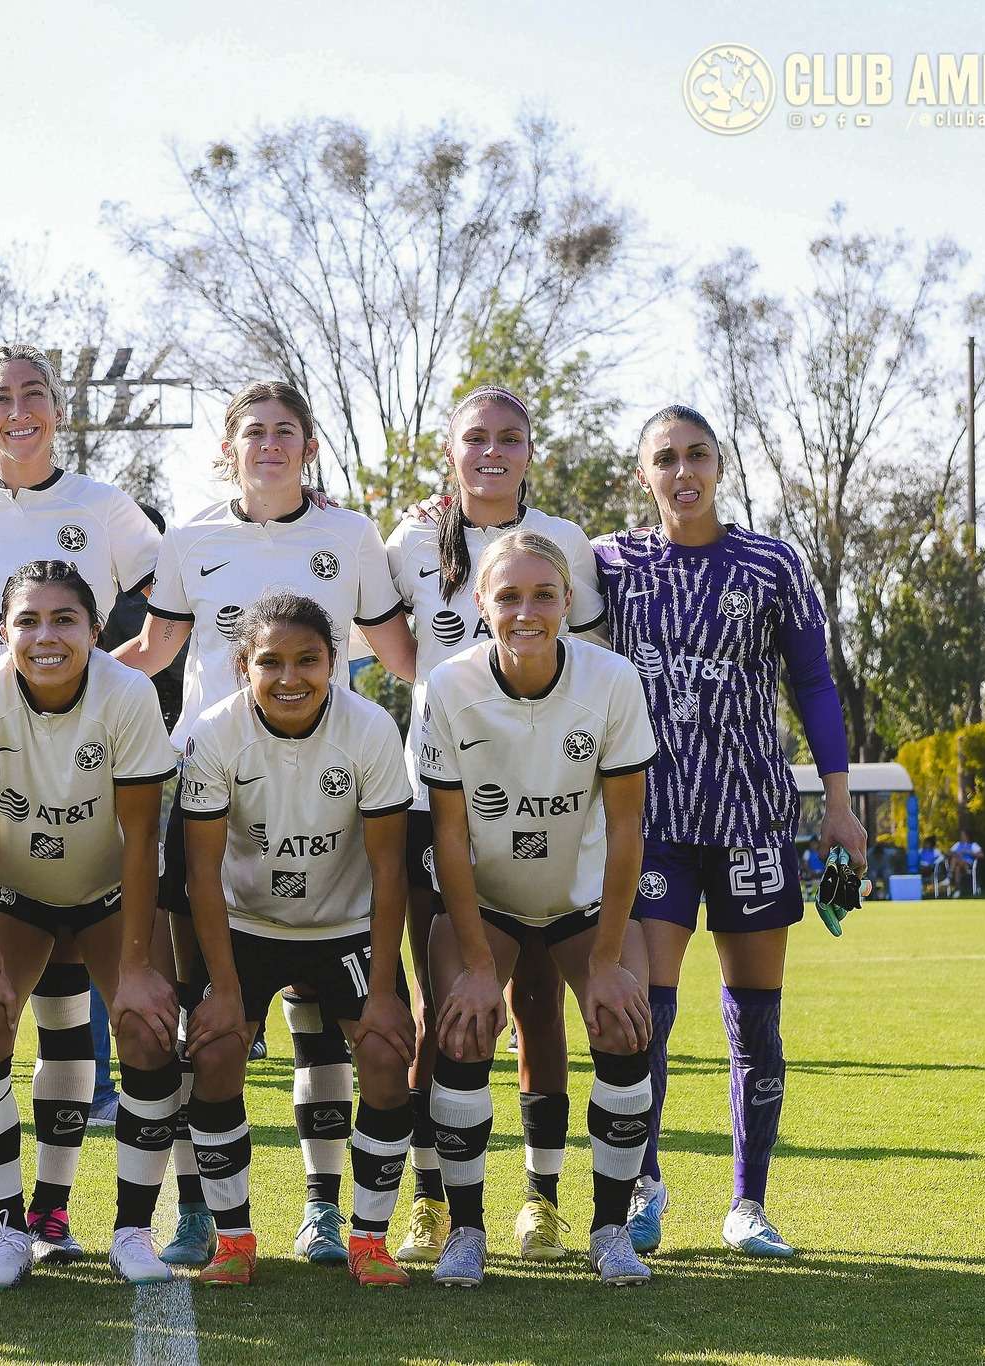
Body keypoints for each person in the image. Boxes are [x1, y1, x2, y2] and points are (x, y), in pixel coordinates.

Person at [115, 380, 413, 1268]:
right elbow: (156, 651)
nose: (271, 445)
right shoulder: (190, 540)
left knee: (331, 1031)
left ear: (310, 446)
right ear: (226, 446)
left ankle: (329, 1213)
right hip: (217, 792)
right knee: (207, 1022)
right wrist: (54, 674)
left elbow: (407, 655)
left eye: (288, 432)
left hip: (327, 797)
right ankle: (201, 1212)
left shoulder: (350, 535)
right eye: (255, 433)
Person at [0, 345, 160, 1267]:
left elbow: (182, 598)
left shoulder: (105, 504)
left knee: (73, 1022)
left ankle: (52, 1212)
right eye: (1, 398)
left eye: (35, 396)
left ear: (58, 409)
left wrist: (109, 682)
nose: (19, 411)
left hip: (85, 786)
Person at [594, 404, 866, 1259]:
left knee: (758, 1023)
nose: (684, 472)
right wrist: (442, 516)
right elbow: (512, 555)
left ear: (721, 464)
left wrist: (838, 800)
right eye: (666, 458)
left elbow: (816, 683)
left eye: (698, 455)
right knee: (650, 1015)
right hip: (655, 822)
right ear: (644, 475)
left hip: (751, 818)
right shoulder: (610, 563)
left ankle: (748, 1204)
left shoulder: (772, 563)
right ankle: (645, 1185)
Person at [385, 386, 607, 1265]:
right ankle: (432, 1202)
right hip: (430, 805)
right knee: (444, 1006)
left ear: (529, 451)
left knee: (539, 1006)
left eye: (508, 438)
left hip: (540, 803)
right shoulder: (409, 539)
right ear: (450, 450)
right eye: (474, 437)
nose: (491, 452)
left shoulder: (564, 543)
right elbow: (402, 656)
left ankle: (541, 1201)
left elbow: (587, 661)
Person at [417, 530, 659, 1288]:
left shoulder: (612, 681)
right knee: (459, 1026)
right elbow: (449, 835)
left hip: (581, 900)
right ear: (482, 606)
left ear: (568, 604)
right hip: (486, 900)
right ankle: (465, 1230)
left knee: (625, 1024)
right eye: (510, 596)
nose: (528, 611)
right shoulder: (448, 687)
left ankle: (609, 1229)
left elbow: (626, 828)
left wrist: (613, 960)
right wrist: (479, 965)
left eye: (544, 595)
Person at [0, 560, 183, 1289]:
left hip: (108, 891)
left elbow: (143, 836)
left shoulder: (129, 692)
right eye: (28, 621)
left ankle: (133, 1231)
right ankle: (11, 1228)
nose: (46, 636)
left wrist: (138, 967)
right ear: (3, 632)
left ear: (94, 629)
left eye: (64, 619)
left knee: (146, 1027)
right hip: (17, 893)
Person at [175, 593, 417, 1287]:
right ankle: (234, 1240)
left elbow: (388, 867)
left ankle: (368, 1240)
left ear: (333, 663)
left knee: (383, 1049)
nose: (291, 678)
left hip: (344, 923)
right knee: (216, 1049)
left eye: (308, 660)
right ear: (241, 666)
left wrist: (384, 992)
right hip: (247, 923)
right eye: (271, 663)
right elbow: (200, 872)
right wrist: (222, 990)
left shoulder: (368, 730)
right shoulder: (217, 734)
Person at [950, 831, 983, 896]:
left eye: (963, 835)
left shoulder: (973, 845)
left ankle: (949, 876)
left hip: (969, 864)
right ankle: (958, 889)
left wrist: (969, 852)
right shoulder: (958, 844)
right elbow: (949, 853)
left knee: (955, 861)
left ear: (967, 836)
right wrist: (956, 853)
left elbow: (981, 855)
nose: (961, 837)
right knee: (957, 868)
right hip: (959, 865)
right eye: (961, 835)